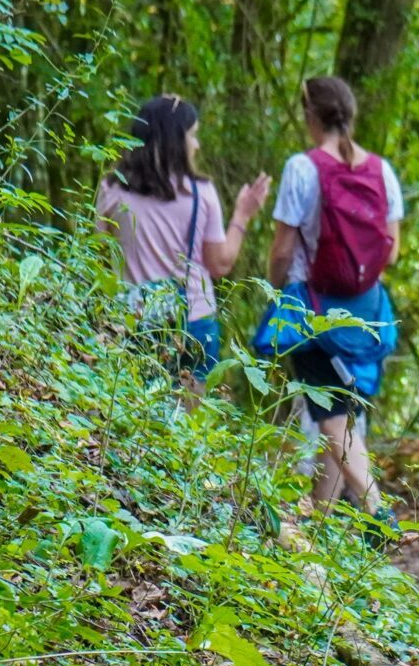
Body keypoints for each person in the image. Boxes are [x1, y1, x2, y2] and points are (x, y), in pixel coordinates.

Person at [267, 77, 403, 516]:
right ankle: (320, 525)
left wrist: (275, 291)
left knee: (331, 414)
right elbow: (393, 249)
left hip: (313, 307)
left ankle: (376, 509)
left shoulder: (302, 169)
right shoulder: (382, 171)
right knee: (338, 411)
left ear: (310, 116)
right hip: (367, 311)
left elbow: (283, 248)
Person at [96, 93, 268, 404]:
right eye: (193, 136)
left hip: (132, 321)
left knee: (132, 416)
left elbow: (95, 256)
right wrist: (243, 214)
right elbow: (220, 263)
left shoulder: (111, 187)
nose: (197, 145)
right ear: (176, 140)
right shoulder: (200, 193)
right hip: (193, 322)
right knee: (188, 428)